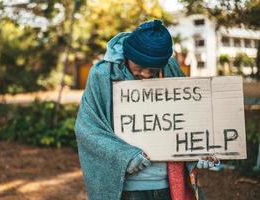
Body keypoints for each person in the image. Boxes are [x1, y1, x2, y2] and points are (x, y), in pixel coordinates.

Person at [75, 20, 220, 200]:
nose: (145, 74)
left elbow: (187, 119)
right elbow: (87, 128)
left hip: (168, 184)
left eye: (152, 69)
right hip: (126, 188)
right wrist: (125, 157)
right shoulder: (102, 75)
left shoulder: (171, 69)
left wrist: (199, 152)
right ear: (128, 55)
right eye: (140, 66)